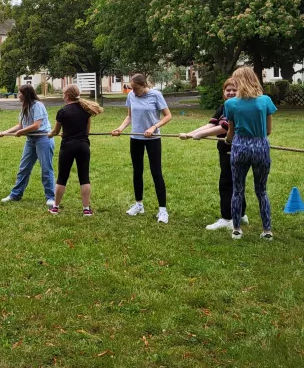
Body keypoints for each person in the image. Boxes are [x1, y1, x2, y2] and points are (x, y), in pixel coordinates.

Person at [179, 78, 248, 231]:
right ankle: (241, 213)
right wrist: (190, 134)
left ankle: (228, 218)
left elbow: (224, 128)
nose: (230, 92)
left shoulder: (238, 107)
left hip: (235, 148)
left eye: (234, 90)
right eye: (227, 90)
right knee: (236, 181)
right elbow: (211, 124)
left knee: (227, 182)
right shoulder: (224, 106)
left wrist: (201, 135)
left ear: (241, 90)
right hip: (224, 148)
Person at [224, 66, 277, 241]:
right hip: (260, 146)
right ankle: (267, 230)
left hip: (239, 147)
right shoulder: (265, 101)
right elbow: (268, 130)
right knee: (261, 191)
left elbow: (231, 132)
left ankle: (237, 229)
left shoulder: (230, 103)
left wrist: (227, 139)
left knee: (238, 189)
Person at [112, 73, 172, 223]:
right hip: (136, 138)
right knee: (137, 171)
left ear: (144, 86)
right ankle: (139, 205)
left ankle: (163, 211)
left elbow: (168, 116)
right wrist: (120, 128)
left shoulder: (156, 95)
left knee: (156, 172)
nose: (134, 91)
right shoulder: (131, 95)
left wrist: (154, 127)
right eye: (132, 88)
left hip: (153, 139)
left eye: (136, 89)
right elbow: (129, 117)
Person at [47, 84, 103, 216]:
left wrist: (50, 135)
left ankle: (55, 207)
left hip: (67, 147)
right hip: (83, 146)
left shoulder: (62, 112)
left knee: (62, 177)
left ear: (67, 96)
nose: (62, 96)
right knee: (84, 177)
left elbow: (55, 131)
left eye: (63, 94)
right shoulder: (85, 110)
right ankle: (86, 209)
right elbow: (86, 131)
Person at [0, 84, 55, 206]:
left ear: (26, 94)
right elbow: (20, 126)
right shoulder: (25, 107)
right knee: (24, 168)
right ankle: (15, 194)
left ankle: (50, 197)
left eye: (19, 93)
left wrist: (21, 132)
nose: (18, 95)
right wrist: (5, 132)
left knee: (46, 169)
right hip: (31, 139)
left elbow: (36, 125)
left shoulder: (37, 105)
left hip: (42, 138)